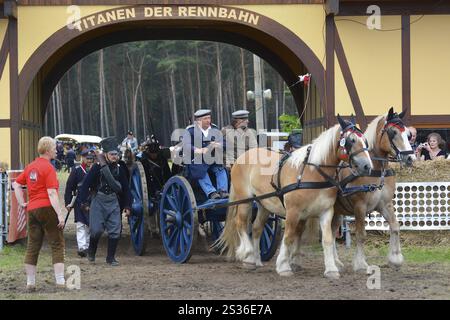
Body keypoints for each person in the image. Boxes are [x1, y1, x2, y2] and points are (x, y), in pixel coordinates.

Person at [12, 136, 65, 291]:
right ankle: (60, 281)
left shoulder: (30, 167)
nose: (56, 150)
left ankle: (30, 283)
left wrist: (22, 203)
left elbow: (15, 184)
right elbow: (52, 193)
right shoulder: (48, 167)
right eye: (55, 148)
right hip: (47, 208)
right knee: (56, 244)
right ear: (48, 149)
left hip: (32, 209)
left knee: (33, 245)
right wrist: (60, 214)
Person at [78, 137, 132, 266]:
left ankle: (110, 258)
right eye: (112, 154)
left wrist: (127, 205)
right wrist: (83, 202)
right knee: (96, 230)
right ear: (106, 154)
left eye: (116, 154)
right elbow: (86, 185)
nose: (115, 156)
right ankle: (91, 252)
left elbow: (125, 188)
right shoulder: (97, 167)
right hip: (98, 200)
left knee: (115, 230)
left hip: (113, 201)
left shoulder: (120, 167)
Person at [183, 109, 228, 199]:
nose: (208, 120)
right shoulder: (190, 130)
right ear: (198, 120)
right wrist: (197, 149)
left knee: (220, 169)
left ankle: (223, 191)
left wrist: (218, 144)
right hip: (197, 160)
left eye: (209, 118)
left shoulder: (214, 129)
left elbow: (224, 143)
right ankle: (211, 192)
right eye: (205, 118)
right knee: (200, 171)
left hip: (213, 159)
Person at [64, 148, 95, 258]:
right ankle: (82, 247)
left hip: (93, 201)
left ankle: (88, 246)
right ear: (83, 158)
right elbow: (69, 187)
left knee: (91, 225)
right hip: (80, 201)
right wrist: (68, 202)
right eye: (87, 158)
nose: (89, 160)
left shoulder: (96, 169)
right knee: (81, 224)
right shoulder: (76, 170)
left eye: (91, 158)